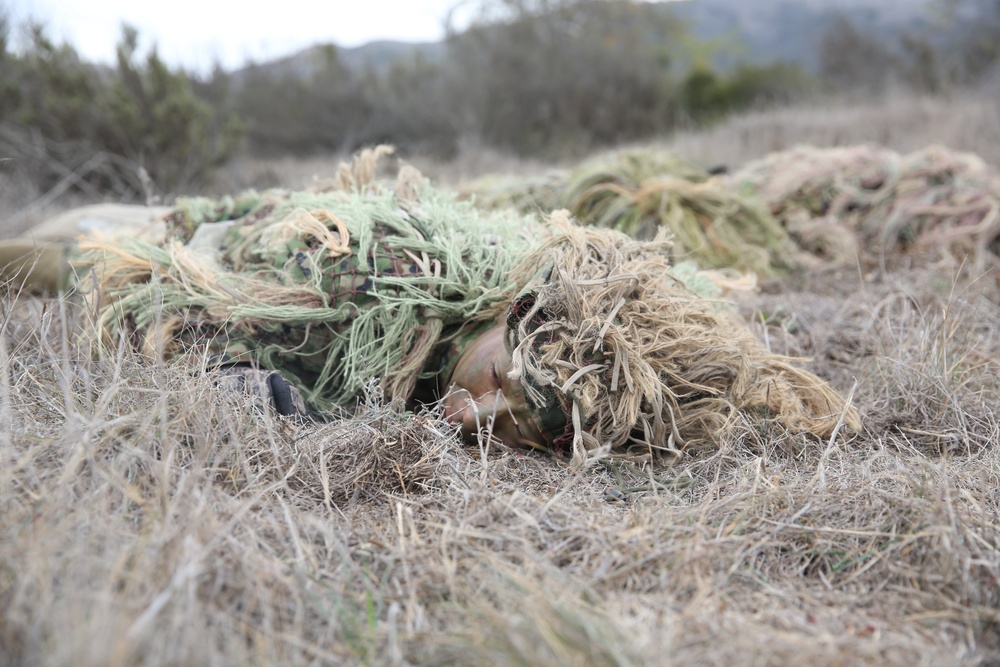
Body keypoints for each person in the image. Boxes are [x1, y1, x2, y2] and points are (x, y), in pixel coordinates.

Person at [2, 148, 861, 465]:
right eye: (499, 384)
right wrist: (240, 379)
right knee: (48, 252)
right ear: (508, 314)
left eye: (525, 429)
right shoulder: (370, 286)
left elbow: (685, 323)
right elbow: (171, 298)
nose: (475, 412)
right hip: (203, 241)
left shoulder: (596, 352)